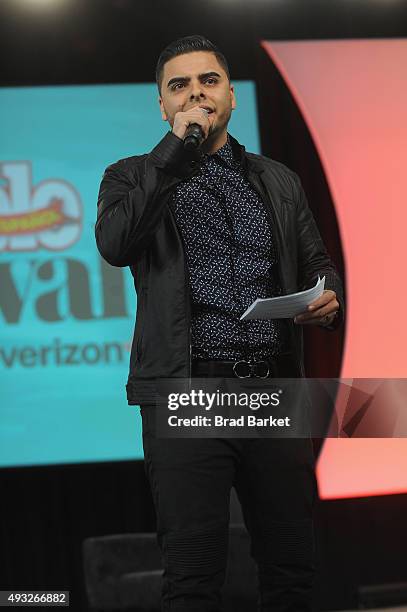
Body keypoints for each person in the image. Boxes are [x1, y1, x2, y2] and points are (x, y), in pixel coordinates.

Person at [95, 34, 344, 612]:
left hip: (271, 390)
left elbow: (319, 264)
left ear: (230, 94)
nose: (196, 94)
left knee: (292, 567)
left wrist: (329, 299)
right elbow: (115, 243)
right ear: (162, 106)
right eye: (178, 86)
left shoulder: (277, 179)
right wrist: (175, 153)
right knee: (194, 573)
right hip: (188, 392)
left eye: (208, 81)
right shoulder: (131, 175)